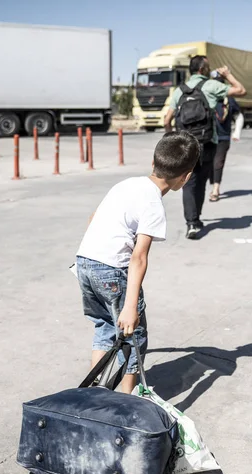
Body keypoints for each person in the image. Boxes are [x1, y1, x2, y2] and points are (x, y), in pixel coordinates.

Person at [76, 131, 200, 394]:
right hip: (111, 271)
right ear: (186, 177)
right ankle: (127, 398)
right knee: (132, 337)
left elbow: (92, 218)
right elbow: (139, 257)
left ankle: (94, 394)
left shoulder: (126, 184)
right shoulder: (154, 203)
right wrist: (130, 306)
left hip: (85, 261)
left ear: (153, 161)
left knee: (105, 327)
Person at [164, 55, 246, 239]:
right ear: (202, 69)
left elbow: (166, 120)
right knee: (201, 182)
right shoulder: (210, 86)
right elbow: (241, 90)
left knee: (189, 183)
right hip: (208, 142)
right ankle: (195, 219)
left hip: (186, 144)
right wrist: (227, 75)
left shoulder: (179, 91)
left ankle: (192, 222)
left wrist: (172, 139)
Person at [209, 72, 244, 201]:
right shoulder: (208, 97)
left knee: (218, 163)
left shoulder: (229, 100)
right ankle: (213, 184)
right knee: (209, 164)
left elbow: (238, 116)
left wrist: (237, 133)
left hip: (223, 137)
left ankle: (215, 190)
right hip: (208, 137)